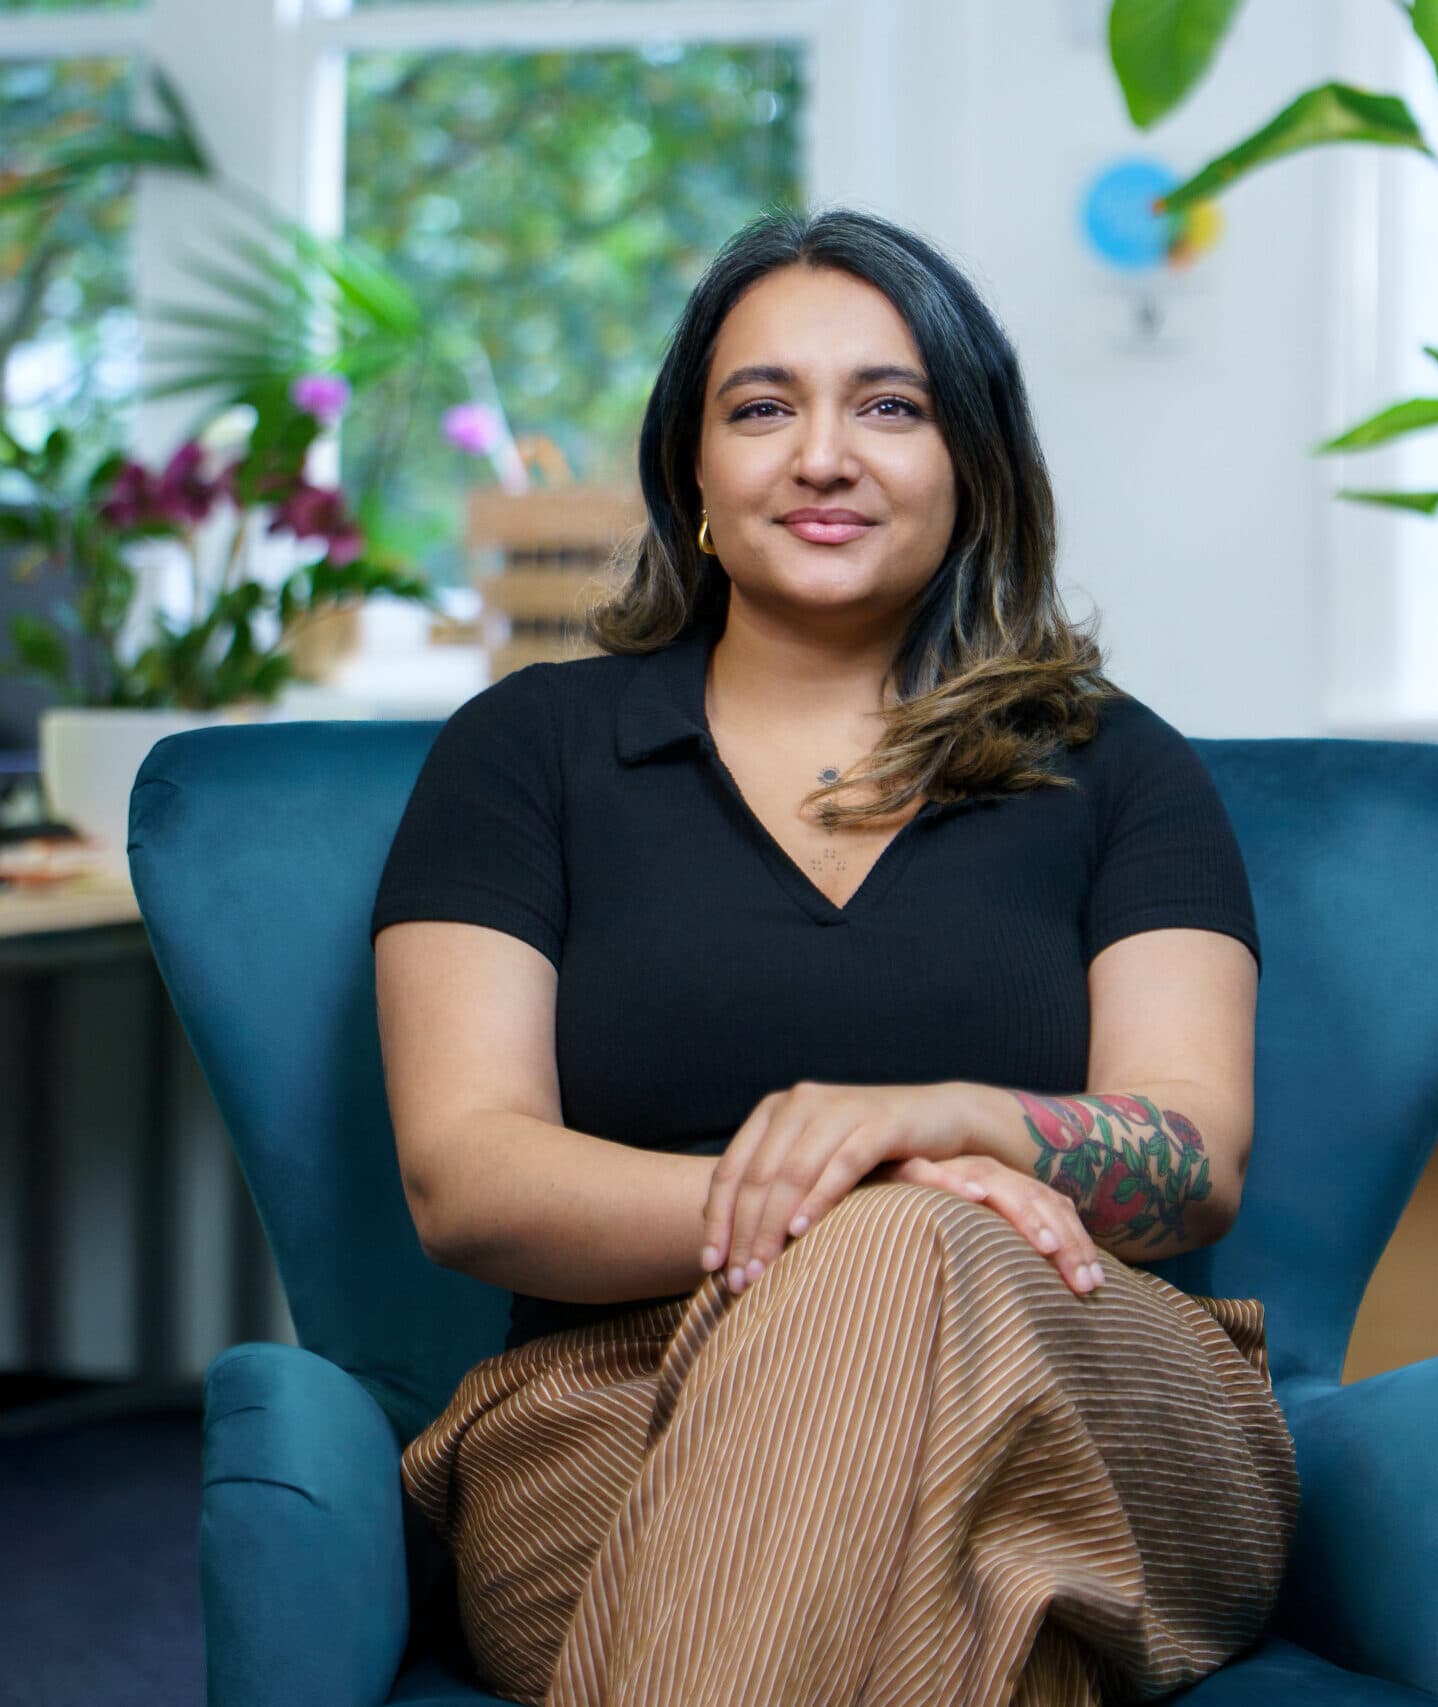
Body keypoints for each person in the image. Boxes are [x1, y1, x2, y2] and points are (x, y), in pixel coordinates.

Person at [370, 204, 1299, 1707]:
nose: (823, 455)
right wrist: (854, 1208)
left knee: (908, 1254)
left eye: (890, 405)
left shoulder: (1122, 767)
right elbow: (465, 1177)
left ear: (972, 465)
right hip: (614, 1416)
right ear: (693, 468)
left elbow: (1193, 1164)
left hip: (1086, 1380)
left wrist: (951, 1127)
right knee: (983, 1623)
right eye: (762, 408)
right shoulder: (522, 756)